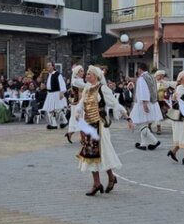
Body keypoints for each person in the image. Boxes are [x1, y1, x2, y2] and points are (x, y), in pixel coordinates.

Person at [74, 66, 133, 196]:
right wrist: (78, 113)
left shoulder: (103, 89)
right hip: (88, 125)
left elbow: (115, 104)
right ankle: (97, 183)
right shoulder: (86, 89)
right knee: (90, 154)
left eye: (89, 74)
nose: (87, 76)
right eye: (87, 74)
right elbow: (81, 104)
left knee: (103, 153)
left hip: (99, 124)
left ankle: (111, 177)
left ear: (96, 76)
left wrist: (127, 117)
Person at [130, 63, 162, 151]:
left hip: (143, 103)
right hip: (152, 103)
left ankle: (155, 141)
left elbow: (144, 91)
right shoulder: (151, 77)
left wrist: (144, 103)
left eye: (138, 70)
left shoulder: (142, 78)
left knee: (140, 123)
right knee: (144, 123)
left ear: (140, 69)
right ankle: (143, 144)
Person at [42, 61, 68, 129]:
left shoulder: (57, 74)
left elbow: (62, 83)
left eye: (49, 65)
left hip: (56, 93)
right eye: (47, 65)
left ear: (53, 66)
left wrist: (62, 92)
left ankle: (63, 122)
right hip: (50, 94)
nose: (48, 67)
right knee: (50, 110)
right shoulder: (49, 75)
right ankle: (55, 124)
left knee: (57, 110)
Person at [65, 65, 86, 143]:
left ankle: (71, 134)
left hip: (81, 102)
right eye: (81, 71)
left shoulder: (80, 80)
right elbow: (86, 87)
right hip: (77, 103)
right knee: (79, 119)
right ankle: (82, 138)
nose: (83, 72)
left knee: (80, 119)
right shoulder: (75, 81)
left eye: (83, 71)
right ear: (77, 72)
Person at [154, 70, 175, 135]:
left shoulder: (165, 82)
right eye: (159, 75)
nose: (161, 77)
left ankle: (175, 127)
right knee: (156, 115)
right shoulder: (153, 83)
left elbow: (171, 87)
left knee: (170, 113)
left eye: (162, 76)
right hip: (155, 101)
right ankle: (157, 127)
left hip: (164, 100)